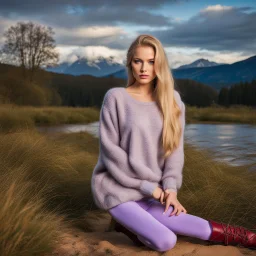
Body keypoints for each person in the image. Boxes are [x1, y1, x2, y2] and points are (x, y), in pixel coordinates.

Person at [90, 34, 256, 252]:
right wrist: (151, 189)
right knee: (166, 240)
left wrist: (170, 190)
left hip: (153, 195)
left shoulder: (173, 101)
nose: (144, 68)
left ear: (159, 64)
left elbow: (174, 152)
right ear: (130, 63)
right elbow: (111, 153)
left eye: (151, 61)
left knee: (196, 227)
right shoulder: (116, 98)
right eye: (138, 61)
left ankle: (246, 237)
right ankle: (128, 223)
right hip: (118, 191)